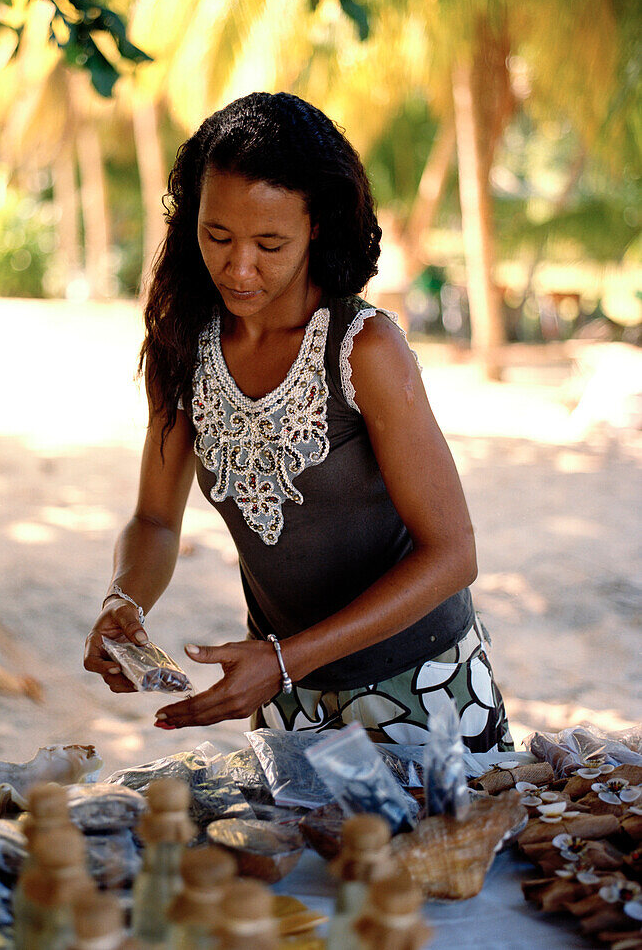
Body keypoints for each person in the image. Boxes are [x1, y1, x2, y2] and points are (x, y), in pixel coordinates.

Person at [83, 92, 512, 752]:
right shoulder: (182, 349)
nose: (239, 266)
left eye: (269, 243)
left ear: (317, 228)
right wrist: (124, 602)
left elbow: (452, 555)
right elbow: (153, 522)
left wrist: (285, 660)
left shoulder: (361, 349)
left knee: (434, 858)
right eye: (217, 236)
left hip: (423, 692)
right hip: (287, 702)